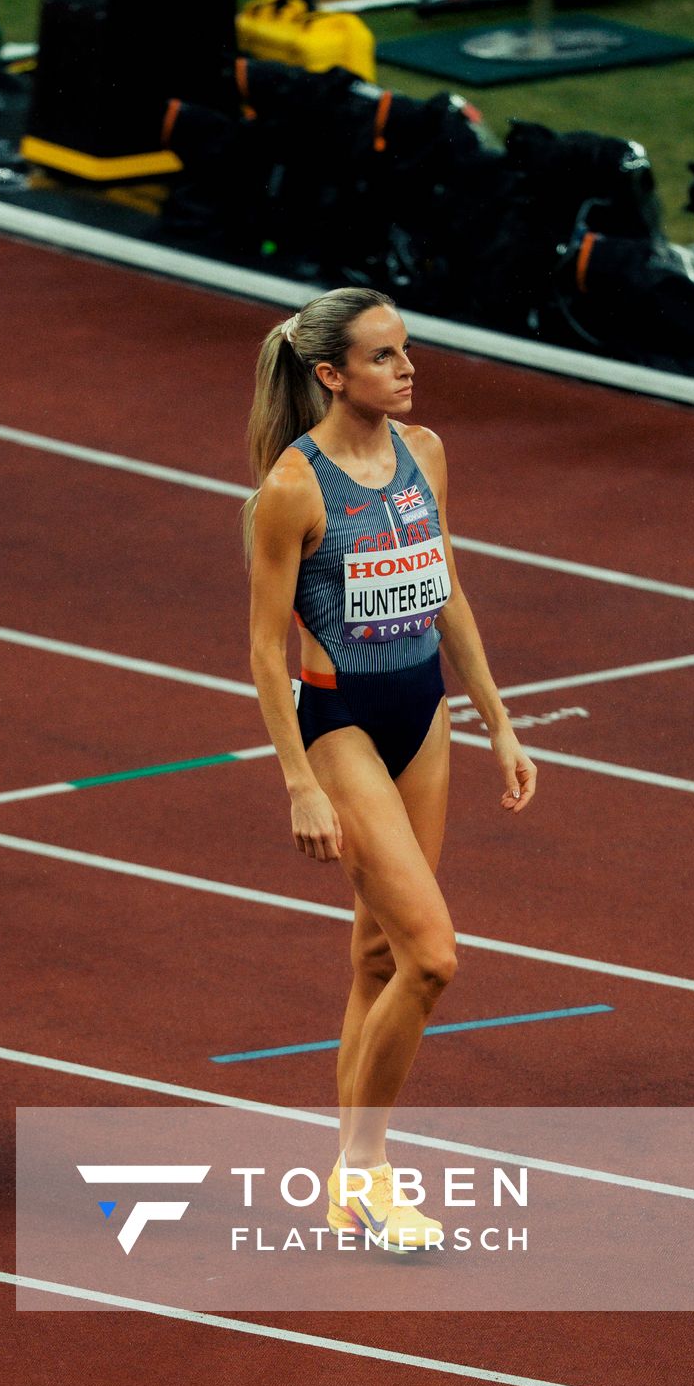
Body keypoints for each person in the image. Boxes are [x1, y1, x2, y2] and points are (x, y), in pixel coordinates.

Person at [245, 287, 536, 1252]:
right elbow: (261, 648)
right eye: (384, 357)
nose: (408, 369)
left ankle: (347, 1183)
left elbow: (445, 585)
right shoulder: (292, 489)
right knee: (434, 957)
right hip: (341, 730)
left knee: (378, 956)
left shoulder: (426, 454)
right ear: (331, 375)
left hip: (424, 714)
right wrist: (296, 782)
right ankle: (367, 1170)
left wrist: (498, 719)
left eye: (406, 350)